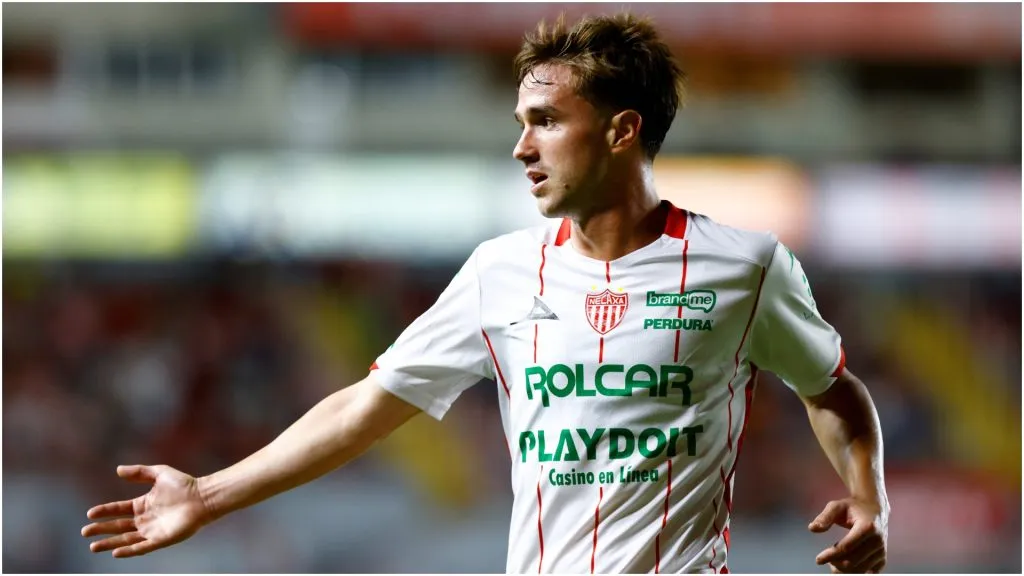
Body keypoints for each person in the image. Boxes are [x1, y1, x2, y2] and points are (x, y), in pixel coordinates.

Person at [82, 12, 889, 574]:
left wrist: (867, 499)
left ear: (621, 131)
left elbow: (832, 389)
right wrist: (209, 493)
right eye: (519, 120)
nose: (520, 146)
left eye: (544, 120)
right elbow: (365, 407)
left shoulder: (743, 267)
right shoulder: (498, 273)